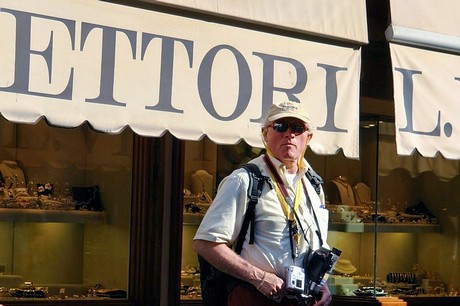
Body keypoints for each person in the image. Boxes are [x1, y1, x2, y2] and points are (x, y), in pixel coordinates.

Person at [193, 101, 332, 306]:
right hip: (255, 297)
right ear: (265, 134)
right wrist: (259, 278)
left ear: (308, 137)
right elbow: (205, 244)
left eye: (297, 128)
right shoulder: (243, 180)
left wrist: (322, 285)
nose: (289, 134)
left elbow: (314, 245)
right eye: (280, 126)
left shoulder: (314, 185)